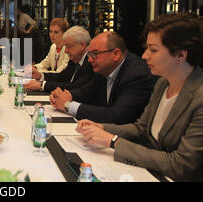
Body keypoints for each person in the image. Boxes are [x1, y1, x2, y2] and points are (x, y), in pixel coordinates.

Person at [76, 13, 203, 181]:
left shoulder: (199, 98)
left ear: (181, 55)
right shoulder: (163, 84)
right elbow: (141, 129)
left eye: (153, 50)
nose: (144, 55)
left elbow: (181, 165)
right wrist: (102, 127)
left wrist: (113, 141)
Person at [50, 31, 158, 124]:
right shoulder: (104, 69)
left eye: (95, 54)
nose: (90, 60)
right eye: (89, 55)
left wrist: (68, 105)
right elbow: (86, 92)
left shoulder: (137, 74)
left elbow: (116, 115)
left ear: (116, 54)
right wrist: (66, 95)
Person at [24, 26, 94, 93]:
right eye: (50, 31)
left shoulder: (91, 62)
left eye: (68, 46)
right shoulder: (76, 58)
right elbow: (62, 77)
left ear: (82, 45)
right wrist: (40, 75)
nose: (66, 51)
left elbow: (75, 87)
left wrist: (42, 85)